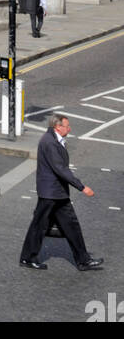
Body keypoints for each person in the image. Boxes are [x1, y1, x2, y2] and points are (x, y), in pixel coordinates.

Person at [19, 113, 102, 271]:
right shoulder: (50, 142)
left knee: (71, 226)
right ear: (58, 126)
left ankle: (83, 260)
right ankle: (27, 258)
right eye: (67, 126)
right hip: (50, 193)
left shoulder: (54, 139)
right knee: (39, 226)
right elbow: (60, 169)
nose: (69, 129)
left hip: (57, 192)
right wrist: (82, 187)